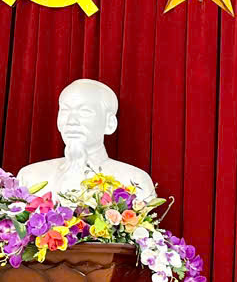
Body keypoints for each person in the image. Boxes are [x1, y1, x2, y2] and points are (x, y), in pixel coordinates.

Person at [17, 78, 155, 201]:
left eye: (85, 112)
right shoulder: (30, 177)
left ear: (110, 123)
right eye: (65, 110)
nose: (71, 121)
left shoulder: (134, 181)